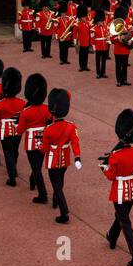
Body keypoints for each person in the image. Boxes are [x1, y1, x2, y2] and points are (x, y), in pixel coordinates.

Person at [102, 109, 133, 266]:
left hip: (119, 191)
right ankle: (112, 236)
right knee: (121, 217)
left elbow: (111, 175)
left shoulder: (116, 155)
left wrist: (103, 167)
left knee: (125, 220)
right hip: (132, 191)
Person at [41, 88, 81, 224]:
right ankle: (55, 201)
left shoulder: (48, 129)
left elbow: (44, 148)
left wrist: (40, 147)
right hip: (65, 157)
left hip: (53, 159)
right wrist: (77, 158)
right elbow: (75, 143)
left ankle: (64, 212)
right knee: (60, 180)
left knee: (56, 185)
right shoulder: (71, 126)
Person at [18, 73, 51, 204]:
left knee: (36, 167)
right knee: (37, 164)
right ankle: (32, 180)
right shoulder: (47, 109)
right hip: (43, 139)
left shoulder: (26, 111)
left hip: (31, 142)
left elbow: (20, 130)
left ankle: (42, 195)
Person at [0, 68, 26, 187]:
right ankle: (14, 169)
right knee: (15, 150)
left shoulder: (0, 104)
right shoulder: (22, 103)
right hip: (17, 129)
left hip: (5, 131)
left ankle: (12, 176)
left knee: (8, 153)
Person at [112, 8, 133, 87]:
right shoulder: (114, 25)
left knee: (124, 65)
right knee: (118, 65)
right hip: (118, 49)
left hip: (125, 48)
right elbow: (111, 38)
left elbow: (131, 33)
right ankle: (118, 80)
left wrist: (129, 39)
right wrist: (118, 38)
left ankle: (124, 79)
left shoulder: (127, 24)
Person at [92, 9, 110, 80]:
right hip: (98, 46)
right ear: (97, 21)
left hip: (104, 46)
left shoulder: (105, 27)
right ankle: (98, 73)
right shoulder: (94, 29)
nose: (102, 23)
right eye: (100, 21)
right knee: (97, 60)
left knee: (103, 60)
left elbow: (107, 35)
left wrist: (108, 37)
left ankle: (103, 72)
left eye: (102, 21)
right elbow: (93, 39)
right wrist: (94, 47)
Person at [75, 2, 92, 72]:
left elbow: (90, 33)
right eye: (83, 17)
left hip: (87, 42)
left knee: (86, 55)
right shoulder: (77, 24)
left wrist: (90, 41)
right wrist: (75, 42)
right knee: (81, 55)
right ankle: (81, 66)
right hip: (80, 42)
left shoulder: (88, 24)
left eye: (85, 17)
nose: (84, 18)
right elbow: (75, 34)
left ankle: (85, 66)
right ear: (80, 17)